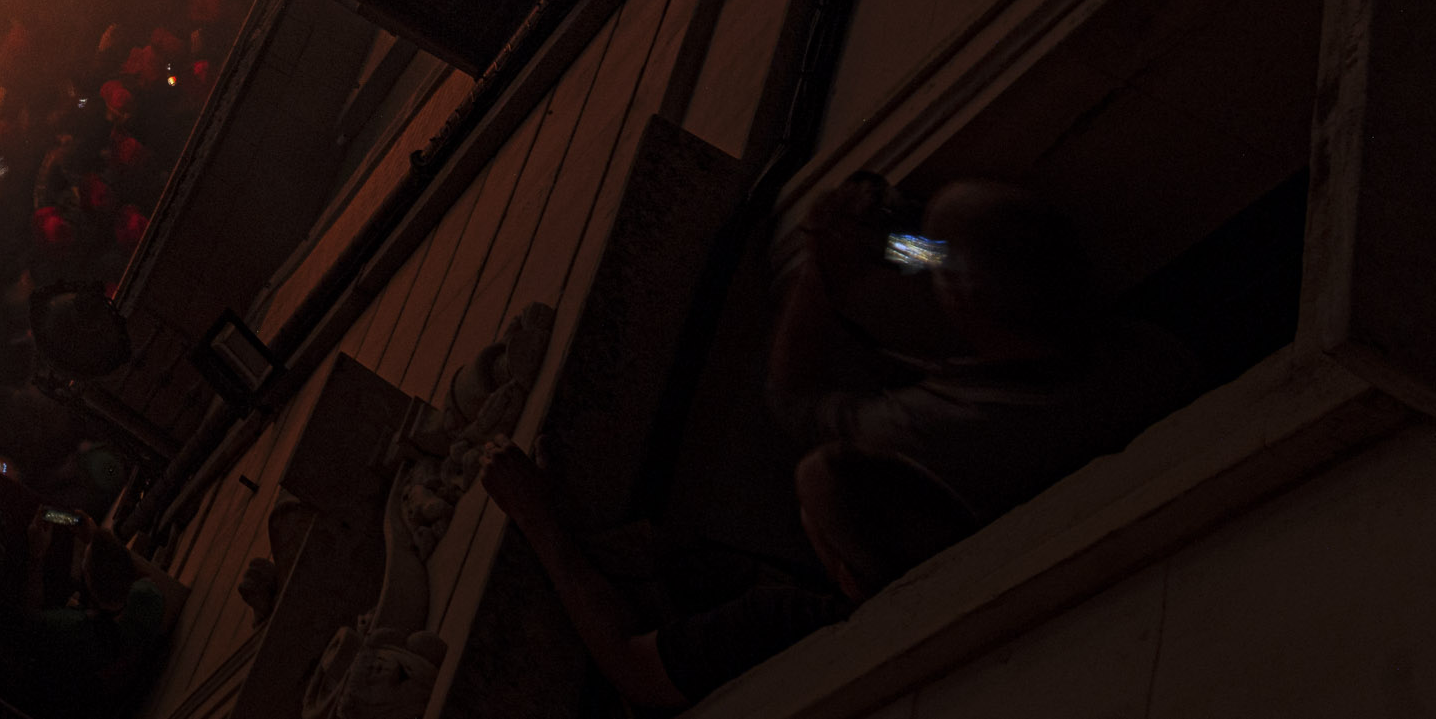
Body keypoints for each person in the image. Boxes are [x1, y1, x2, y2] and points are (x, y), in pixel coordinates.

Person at [764, 176, 1197, 527]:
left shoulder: (931, 428)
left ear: (960, 299)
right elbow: (965, 264)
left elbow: (795, 403)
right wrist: (887, 244)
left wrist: (820, 265)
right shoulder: (1148, 354)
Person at [476, 438, 973, 709]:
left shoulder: (788, 621)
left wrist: (535, 517)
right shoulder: (962, 585)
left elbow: (634, 670)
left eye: (811, 519)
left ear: (846, 577)